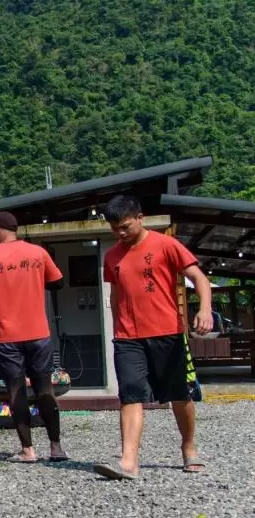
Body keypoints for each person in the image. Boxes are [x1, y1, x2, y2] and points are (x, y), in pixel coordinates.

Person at [94, 195, 212, 480]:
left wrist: (205, 309)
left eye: (124, 227)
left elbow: (199, 278)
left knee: (179, 395)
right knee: (130, 393)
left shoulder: (166, 245)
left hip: (167, 333)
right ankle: (129, 462)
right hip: (127, 337)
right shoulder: (112, 256)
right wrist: (116, 326)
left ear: (139, 218)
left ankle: (188, 446)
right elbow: (115, 292)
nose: (119, 233)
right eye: (114, 228)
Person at [0, 211, 68, 463]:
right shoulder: (38, 253)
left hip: (5, 336)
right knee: (45, 389)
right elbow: (58, 283)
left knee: (16, 391)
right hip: (38, 333)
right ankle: (56, 447)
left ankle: (28, 450)